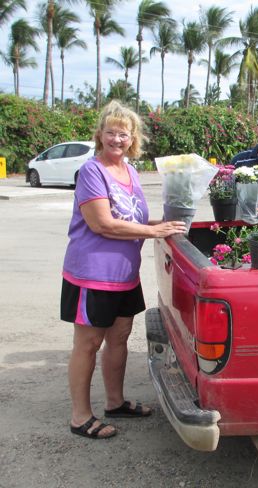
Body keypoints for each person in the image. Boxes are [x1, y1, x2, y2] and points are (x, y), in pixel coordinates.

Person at [61, 101, 186, 439]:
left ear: (133, 139)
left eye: (124, 134)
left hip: (124, 274)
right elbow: (102, 224)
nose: (117, 139)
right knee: (88, 343)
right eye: (111, 132)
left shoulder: (129, 171)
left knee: (119, 337)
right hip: (93, 273)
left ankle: (115, 402)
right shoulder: (92, 171)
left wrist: (163, 224)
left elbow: (131, 218)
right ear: (100, 135)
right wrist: (153, 232)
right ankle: (80, 417)